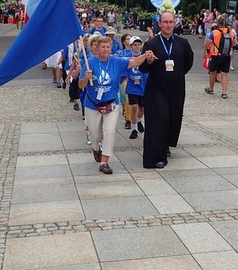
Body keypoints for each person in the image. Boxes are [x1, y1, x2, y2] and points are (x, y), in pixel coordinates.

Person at [72, 35, 154, 174]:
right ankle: (96, 148)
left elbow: (134, 63)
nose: (105, 49)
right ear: (97, 49)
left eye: (108, 46)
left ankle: (104, 161)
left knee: (109, 132)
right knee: (95, 134)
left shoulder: (116, 61)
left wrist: (145, 55)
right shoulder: (90, 62)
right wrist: (86, 77)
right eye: (102, 47)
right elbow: (80, 85)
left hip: (111, 104)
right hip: (93, 104)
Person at [139, 12, 194, 169]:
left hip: (176, 88)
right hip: (157, 89)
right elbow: (143, 68)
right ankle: (155, 156)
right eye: (165, 22)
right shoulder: (152, 44)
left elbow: (188, 62)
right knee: (158, 121)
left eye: (171, 22)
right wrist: (148, 61)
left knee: (173, 118)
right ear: (160, 24)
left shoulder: (183, 43)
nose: (168, 25)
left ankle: (165, 146)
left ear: (175, 23)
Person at [122, 36, 148, 139]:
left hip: (143, 85)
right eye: (134, 45)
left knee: (142, 108)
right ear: (131, 46)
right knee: (133, 106)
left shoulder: (144, 56)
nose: (137, 47)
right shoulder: (127, 57)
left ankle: (138, 121)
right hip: (132, 85)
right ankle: (134, 129)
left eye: (138, 44)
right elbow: (123, 70)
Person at [204, 16, 234, 98]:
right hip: (227, 56)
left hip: (216, 55)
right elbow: (233, 44)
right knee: (224, 74)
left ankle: (211, 89)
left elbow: (207, 44)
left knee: (212, 72)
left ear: (218, 23)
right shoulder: (230, 32)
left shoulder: (214, 32)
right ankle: (224, 93)